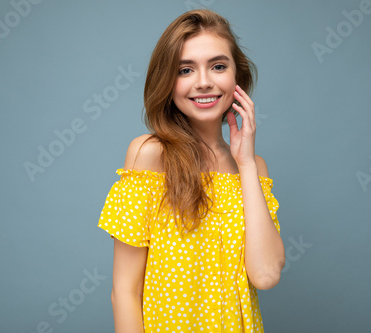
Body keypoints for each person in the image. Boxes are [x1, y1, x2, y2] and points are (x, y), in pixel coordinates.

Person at [97, 9, 285, 332]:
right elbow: (125, 293)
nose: (203, 82)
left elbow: (265, 275)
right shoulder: (149, 155)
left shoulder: (253, 169)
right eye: (185, 69)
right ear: (168, 81)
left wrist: (247, 164)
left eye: (218, 66)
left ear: (235, 76)